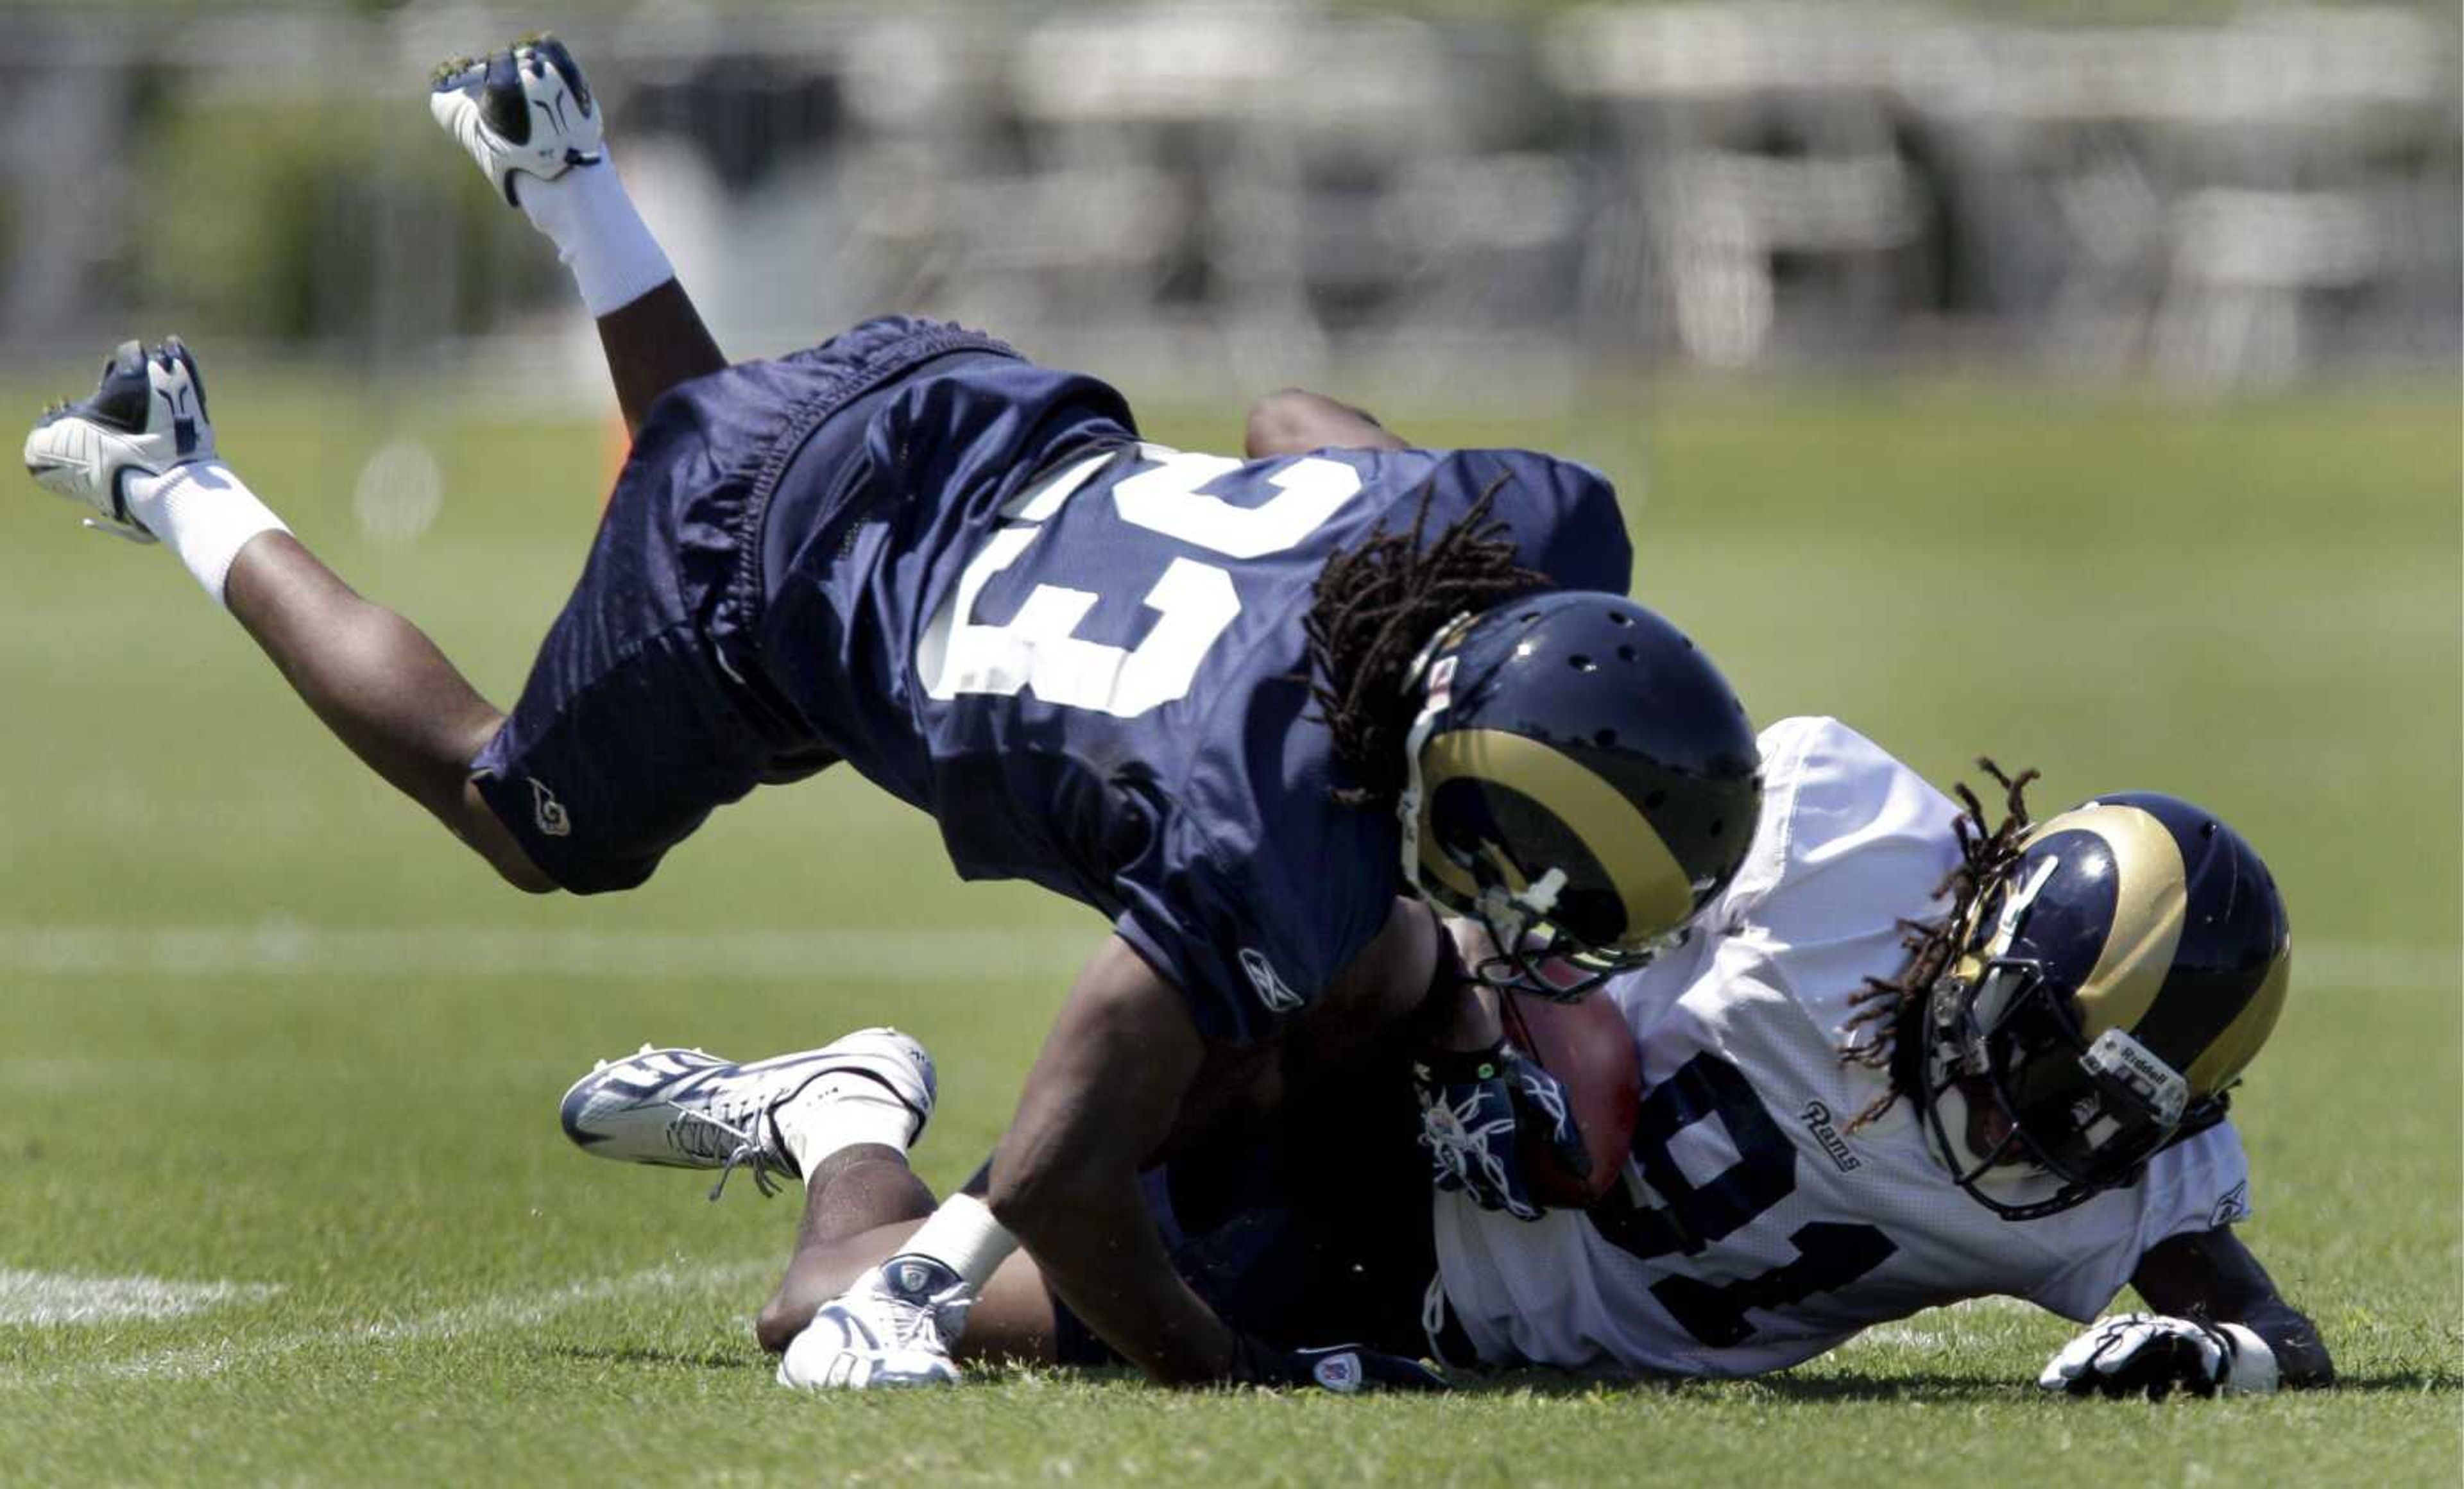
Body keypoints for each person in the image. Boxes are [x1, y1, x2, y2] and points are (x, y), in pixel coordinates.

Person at [17, 35, 1762, 1391]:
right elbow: (1066, 1179)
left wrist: (1370, 550)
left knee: (716, 480)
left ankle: (575, 186)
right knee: (521, 818)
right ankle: (171, 473)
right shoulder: (1272, 832)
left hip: (944, 394)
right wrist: (1238, 1373)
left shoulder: (1518, 530)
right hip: (776, 588)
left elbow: (1291, 410)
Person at [633, 717, 2328, 1400]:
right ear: (1983, 921)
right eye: (2040, 1055)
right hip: (1401, 1080)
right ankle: (961, 1239)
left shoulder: (2127, 1187)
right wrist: (1507, 1028)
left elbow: (2270, 1328)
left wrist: (2209, 1359)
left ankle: (848, 1105)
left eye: (2091, 1111)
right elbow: (1532, 853)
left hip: (1420, 1290)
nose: (2035, 1118)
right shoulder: (1836, 842)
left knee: (810, 1305)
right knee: (1345, 927)